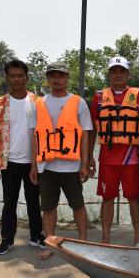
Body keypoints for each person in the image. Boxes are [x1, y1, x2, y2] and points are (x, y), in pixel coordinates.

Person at [29, 61, 93, 260]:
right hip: (47, 166)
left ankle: (82, 241)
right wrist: (33, 165)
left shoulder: (78, 102)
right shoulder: (39, 103)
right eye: (53, 76)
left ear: (67, 78)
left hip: (72, 166)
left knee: (78, 205)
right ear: (48, 79)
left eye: (61, 76)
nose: (57, 80)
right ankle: (51, 245)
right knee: (48, 208)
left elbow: (85, 134)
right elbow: (34, 135)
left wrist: (84, 163)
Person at [0, 59, 44, 255]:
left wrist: (39, 162)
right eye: (12, 75)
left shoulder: (37, 102)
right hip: (9, 162)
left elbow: (43, 133)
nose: (17, 79)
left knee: (34, 201)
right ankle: (7, 239)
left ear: (26, 77)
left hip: (33, 162)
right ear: (7, 77)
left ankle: (37, 236)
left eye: (20, 75)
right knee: (9, 202)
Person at [89, 56, 139, 246]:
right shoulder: (98, 97)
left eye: (122, 71)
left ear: (128, 74)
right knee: (107, 198)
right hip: (107, 158)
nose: (118, 74)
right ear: (109, 74)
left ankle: (138, 238)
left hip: (131, 157)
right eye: (114, 71)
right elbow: (93, 130)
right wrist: (88, 157)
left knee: (133, 198)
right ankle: (105, 238)